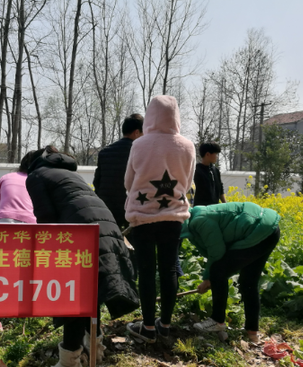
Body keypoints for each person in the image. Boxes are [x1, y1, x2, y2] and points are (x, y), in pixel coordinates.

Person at [25, 146, 139, 367]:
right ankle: (95, 349)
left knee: (73, 296)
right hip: (108, 230)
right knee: (90, 290)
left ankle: (69, 363)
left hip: (81, 233)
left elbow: (46, 218)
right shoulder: (71, 175)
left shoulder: (36, 175)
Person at [124, 95, 196, 343]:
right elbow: (187, 181)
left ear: (150, 115)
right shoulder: (187, 146)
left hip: (142, 217)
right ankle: (165, 324)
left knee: (145, 270)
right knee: (168, 269)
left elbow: (128, 181)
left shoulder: (140, 144)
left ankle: (147, 327)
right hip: (173, 216)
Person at [181, 202, 281, 343]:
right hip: (269, 229)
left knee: (217, 271)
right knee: (248, 282)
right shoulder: (197, 215)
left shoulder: (199, 221)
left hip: (258, 230)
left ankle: (217, 321)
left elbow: (217, 253)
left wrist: (208, 278)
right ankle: (252, 332)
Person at [0, 156, 37, 332]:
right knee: (25, 269)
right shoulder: (36, 180)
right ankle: (25, 312)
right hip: (30, 225)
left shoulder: (6, 177)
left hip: (4, 222)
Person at [93, 114, 144, 229]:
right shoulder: (141, 152)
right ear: (136, 132)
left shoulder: (105, 152)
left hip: (107, 208)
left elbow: (97, 182)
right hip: (132, 207)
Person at [193, 142, 226, 206]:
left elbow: (220, 190)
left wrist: (226, 206)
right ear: (207, 154)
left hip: (215, 209)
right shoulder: (196, 171)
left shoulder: (215, 171)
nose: (217, 157)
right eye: (215, 154)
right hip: (200, 209)